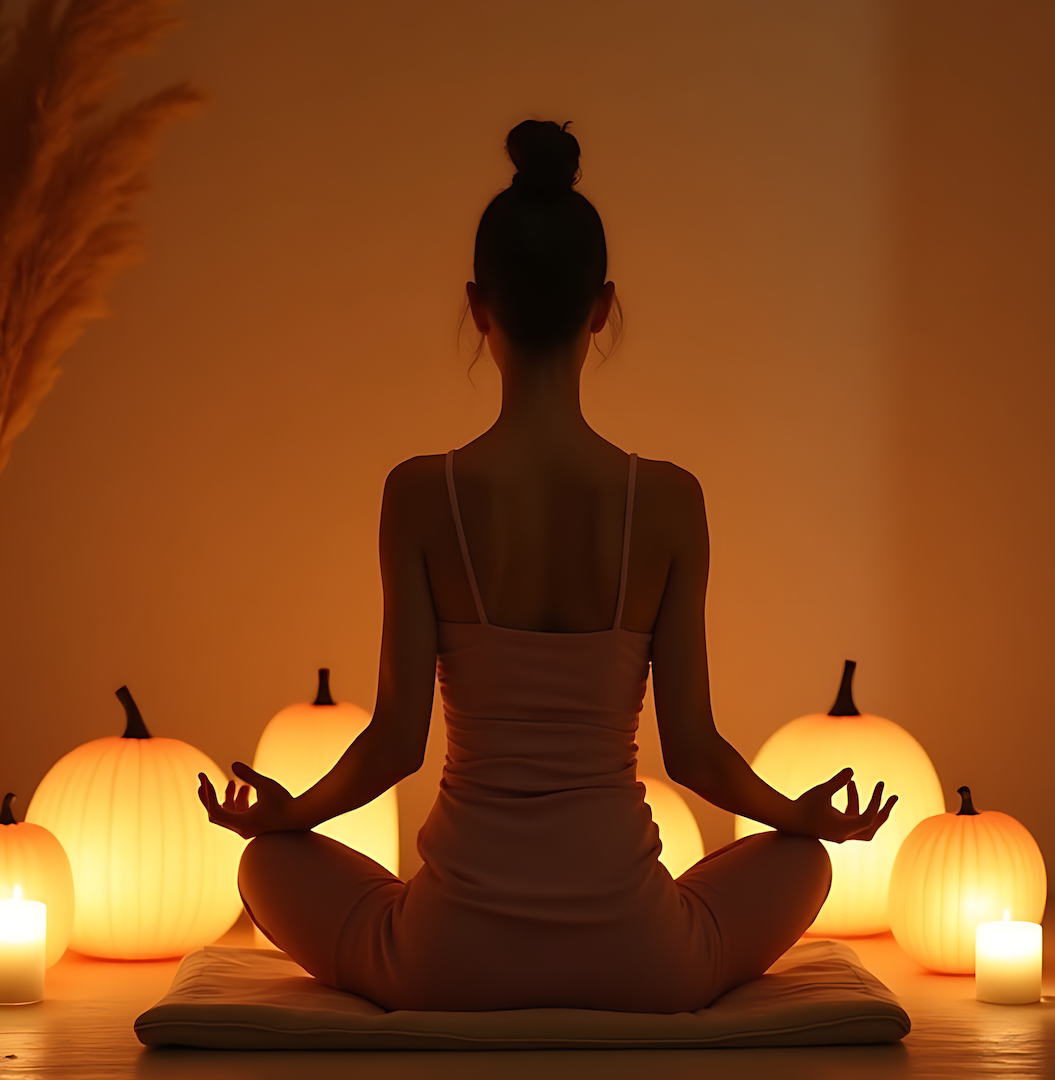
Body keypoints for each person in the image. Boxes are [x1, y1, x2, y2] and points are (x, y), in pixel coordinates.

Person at [198, 120, 896, 1013]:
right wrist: (801, 818)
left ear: (477, 305)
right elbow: (696, 754)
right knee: (801, 862)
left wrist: (286, 815)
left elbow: (394, 744)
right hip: (647, 961)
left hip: (445, 961)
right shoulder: (670, 501)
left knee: (265, 864)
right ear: (602, 306)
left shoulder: (420, 495)